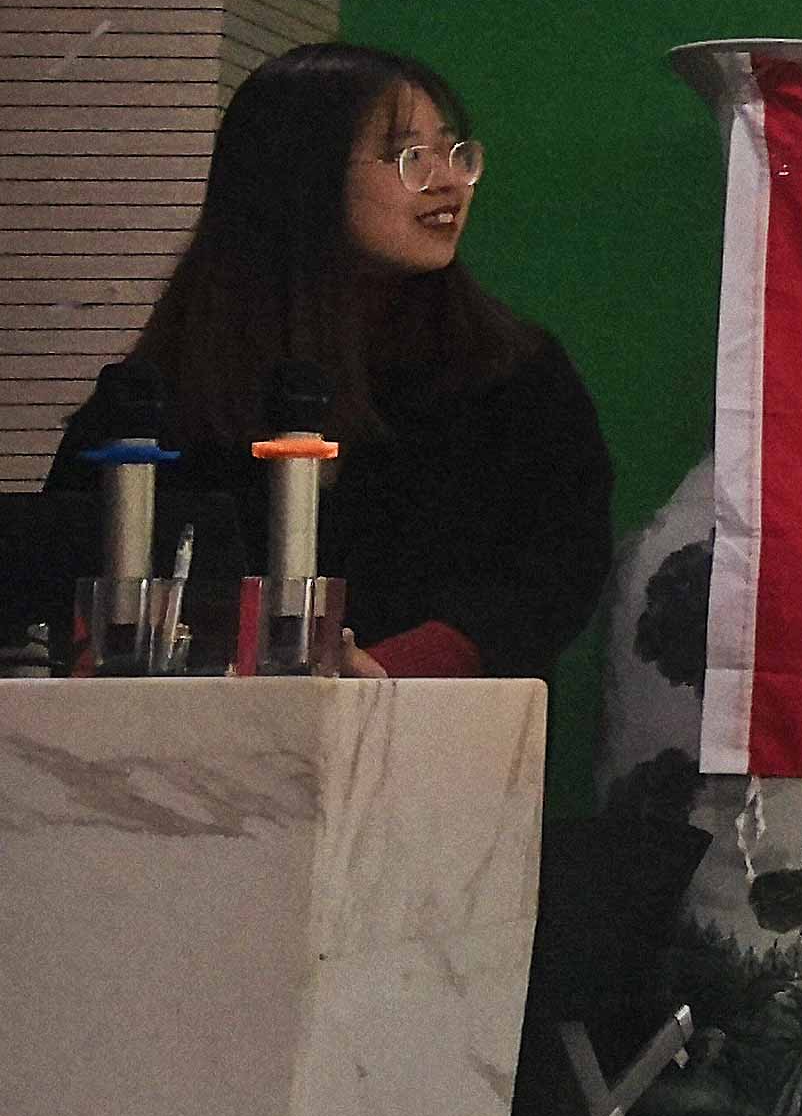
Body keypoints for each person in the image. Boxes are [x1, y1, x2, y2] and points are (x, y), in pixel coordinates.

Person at [49, 40, 613, 678]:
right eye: (407, 156)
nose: (449, 181)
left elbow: (550, 577)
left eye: (454, 152)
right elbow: (61, 578)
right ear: (300, 177)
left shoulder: (511, 376)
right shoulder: (159, 398)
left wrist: (389, 670)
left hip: (430, 728)